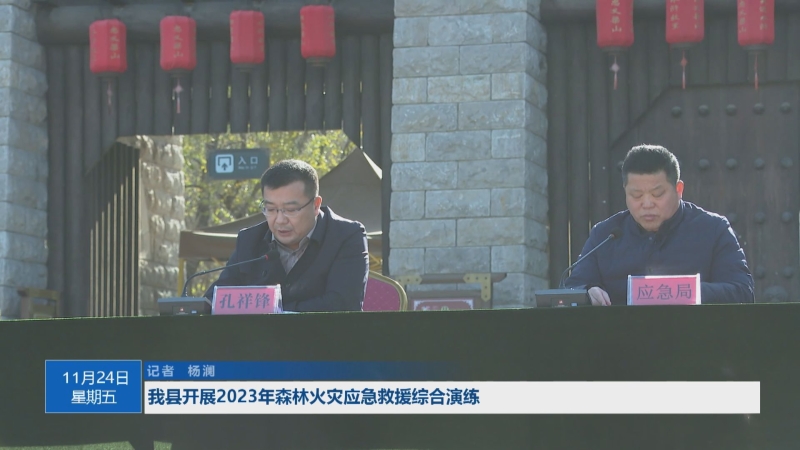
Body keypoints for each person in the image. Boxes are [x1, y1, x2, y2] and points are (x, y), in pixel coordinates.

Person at [565, 144, 754, 306]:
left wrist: (680, 291)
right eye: (636, 195)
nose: (647, 204)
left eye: (657, 194)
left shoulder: (713, 229)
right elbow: (571, 289)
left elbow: (742, 292)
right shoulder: (605, 235)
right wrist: (588, 292)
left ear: (679, 189)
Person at [204, 159, 369, 312]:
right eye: (271, 209)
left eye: (290, 210)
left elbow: (342, 304)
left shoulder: (346, 236)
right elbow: (215, 300)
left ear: (315, 205)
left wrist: (274, 311)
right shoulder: (249, 241)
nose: (280, 220)